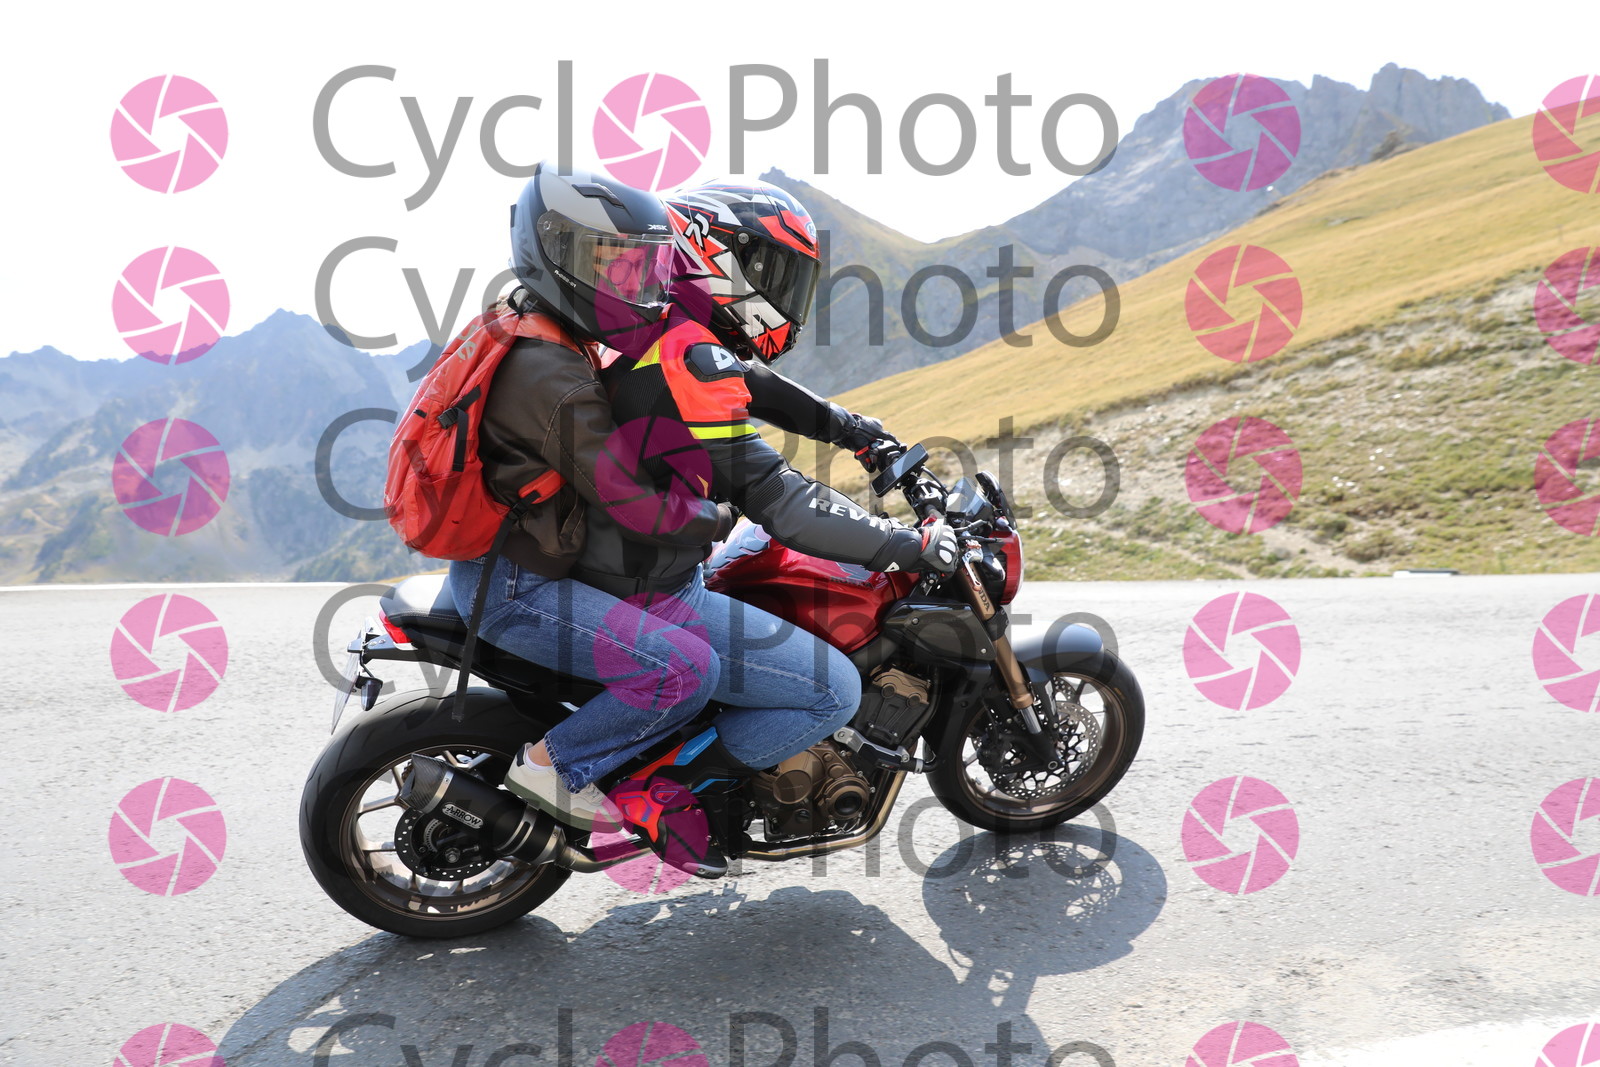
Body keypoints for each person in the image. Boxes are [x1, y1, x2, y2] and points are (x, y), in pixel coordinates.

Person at [568, 177, 962, 875]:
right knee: (831, 689)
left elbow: (753, 382)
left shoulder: (663, 331)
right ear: (716, 256)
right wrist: (908, 546)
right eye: (772, 272)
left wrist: (855, 430)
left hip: (618, 561)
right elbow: (783, 501)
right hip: (649, 587)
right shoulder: (687, 358)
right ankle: (658, 791)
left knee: (761, 567)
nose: (782, 294)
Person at [448, 163, 739, 843]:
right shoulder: (552, 375)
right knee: (686, 670)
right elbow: (633, 502)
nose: (632, 286)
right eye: (612, 266)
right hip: (517, 588)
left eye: (640, 267)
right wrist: (718, 516)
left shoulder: (531, 326)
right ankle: (551, 767)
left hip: (513, 562)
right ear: (556, 255)